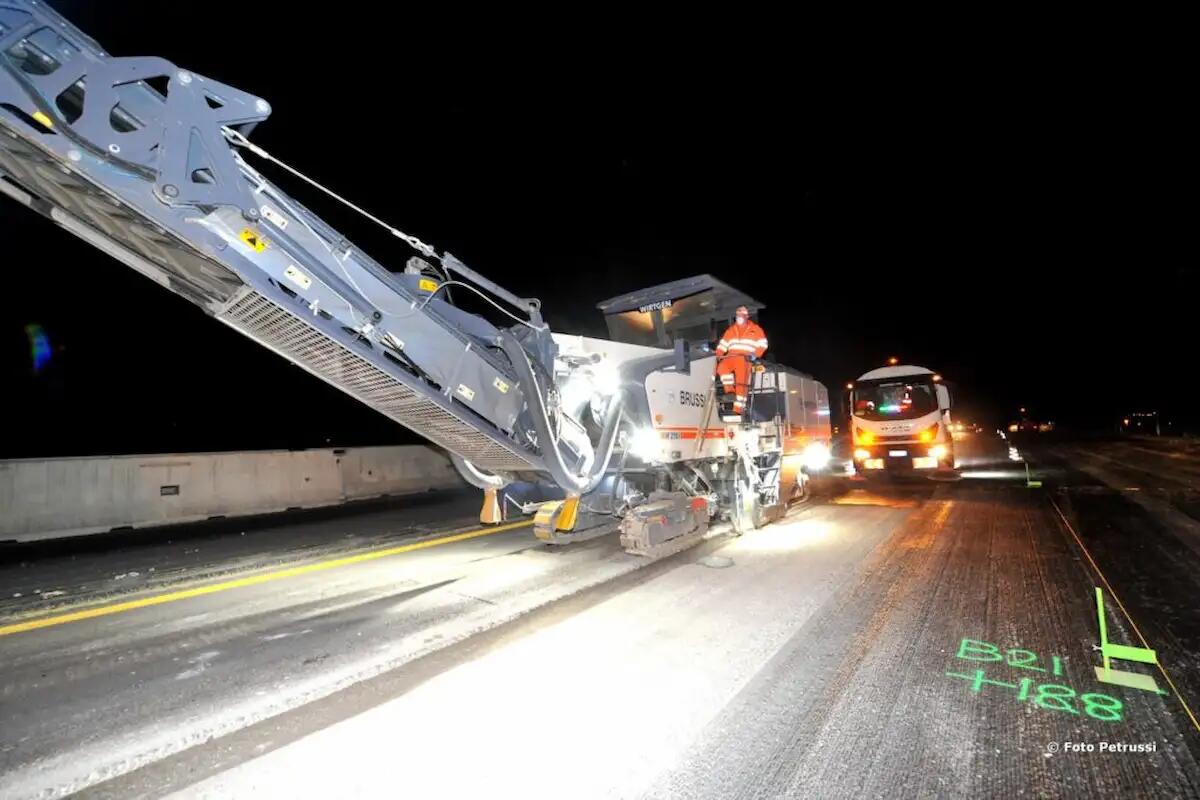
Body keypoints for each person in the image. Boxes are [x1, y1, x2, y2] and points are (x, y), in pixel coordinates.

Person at [715, 306, 768, 416]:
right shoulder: (731, 329)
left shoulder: (755, 329)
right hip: (731, 356)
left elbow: (763, 344)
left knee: (741, 384)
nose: (739, 317)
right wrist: (719, 353)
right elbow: (723, 344)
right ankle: (730, 391)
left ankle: (738, 410)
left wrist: (755, 355)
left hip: (745, 358)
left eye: (742, 315)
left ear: (747, 316)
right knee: (721, 368)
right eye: (738, 315)